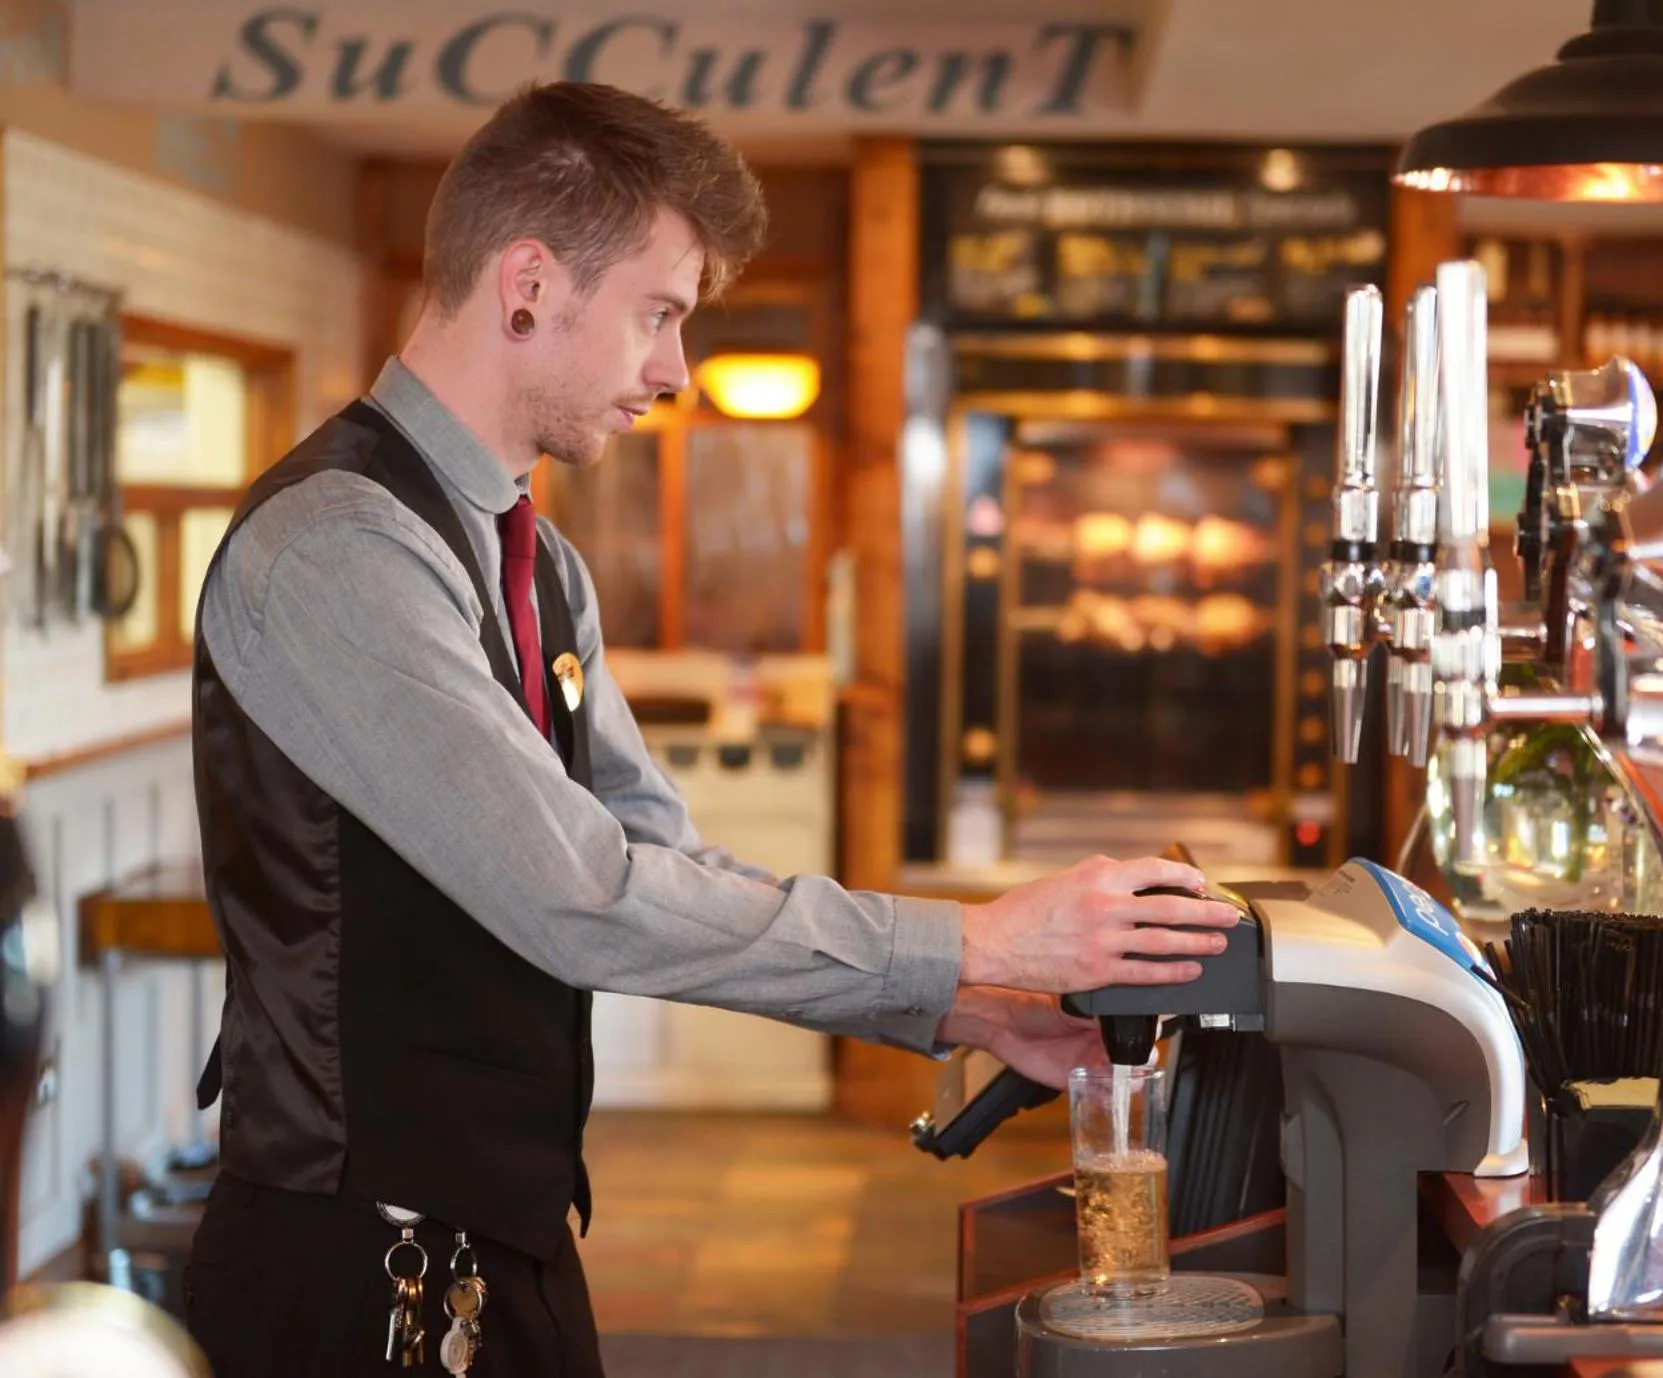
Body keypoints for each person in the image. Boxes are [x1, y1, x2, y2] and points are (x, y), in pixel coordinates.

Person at [182, 81, 1234, 1377]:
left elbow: (664, 863)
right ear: (526, 285)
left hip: (509, 1243)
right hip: (349, 1277)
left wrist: (963, 998)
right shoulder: (336, 551)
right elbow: (581, 897)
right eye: (658, 313)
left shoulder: (540, 563)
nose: (674, 370)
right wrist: (971, 929)